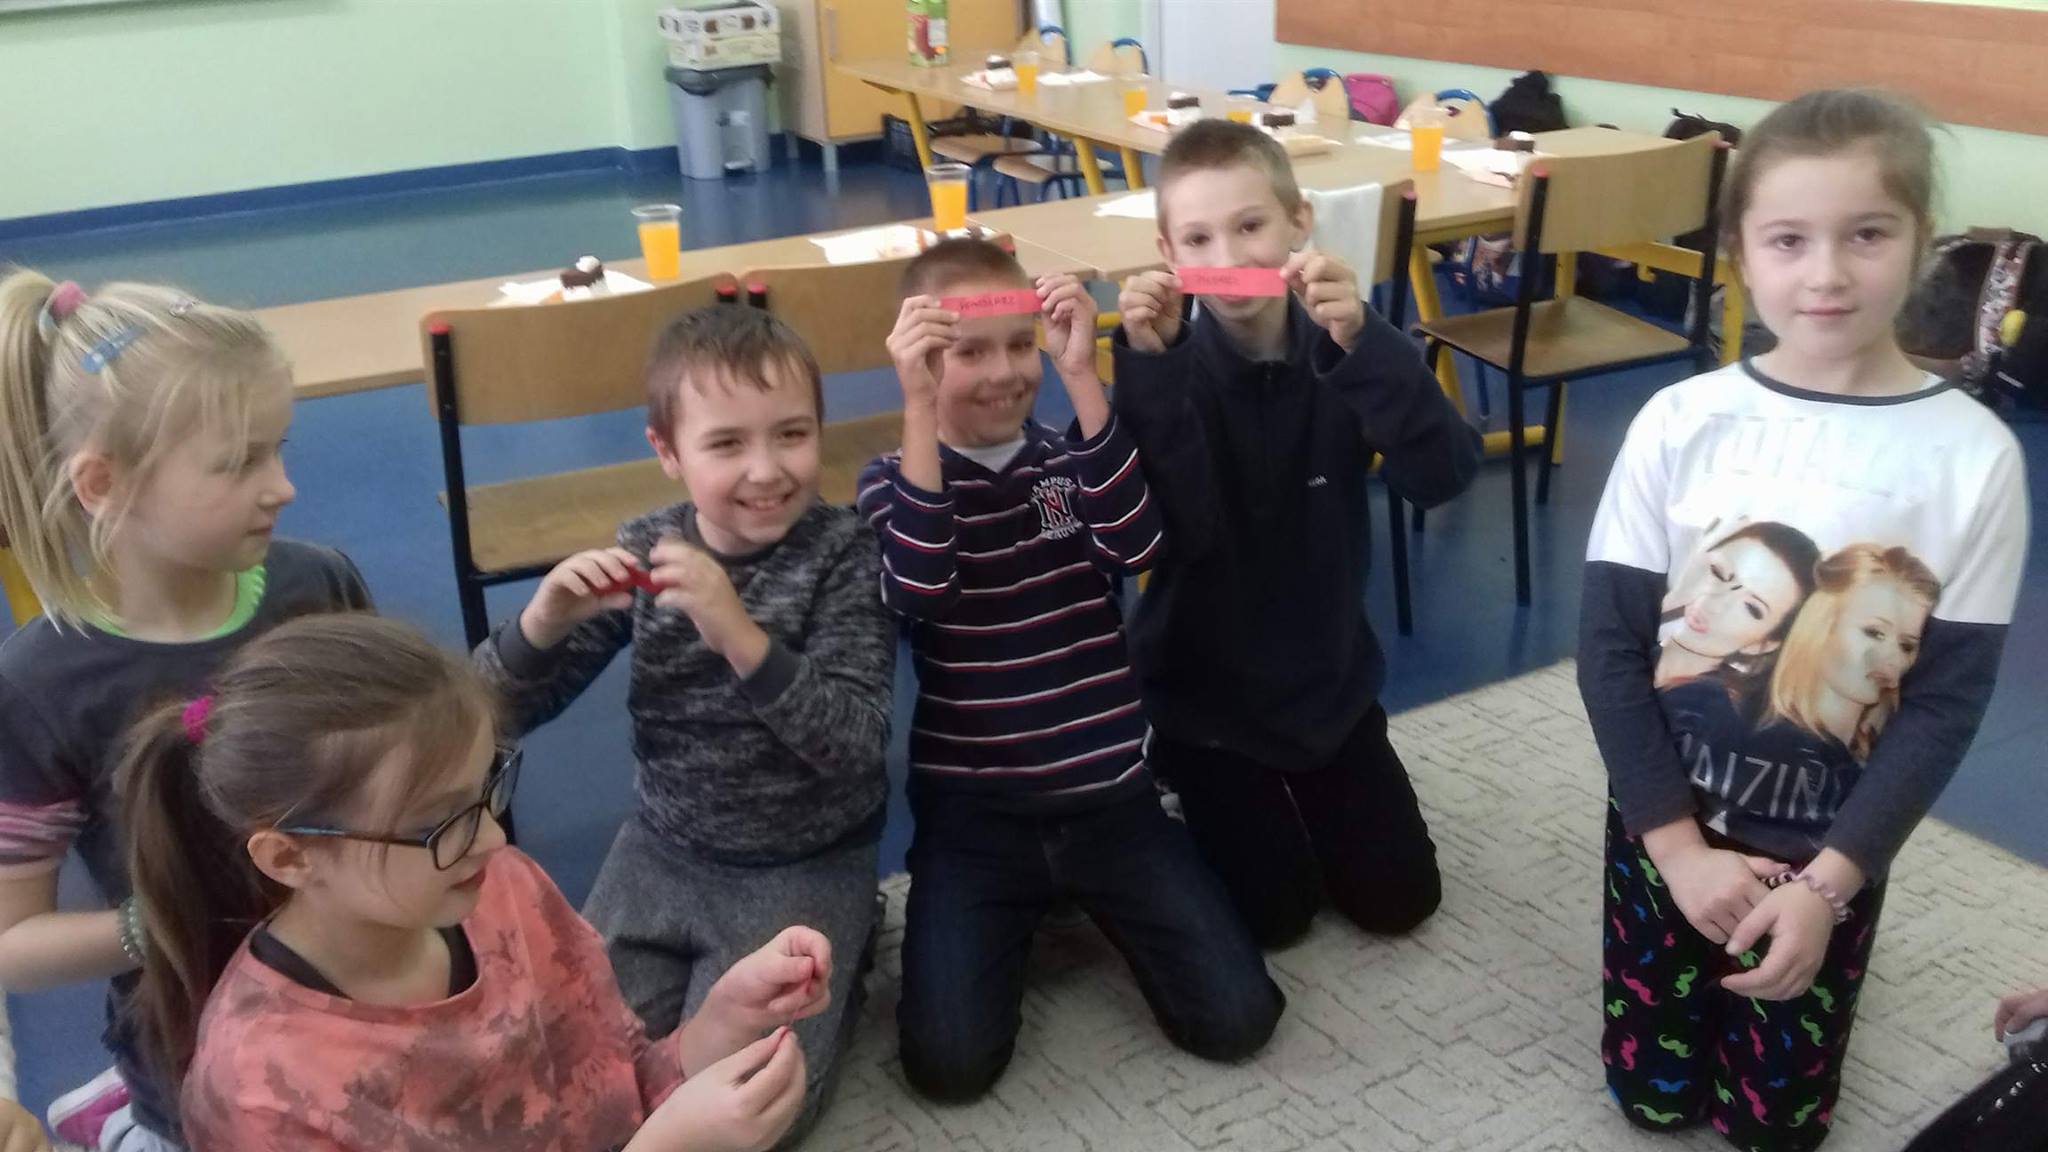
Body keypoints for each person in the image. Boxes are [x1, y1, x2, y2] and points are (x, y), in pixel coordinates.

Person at [1578, 89, 2031, 1151]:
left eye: (1865, 234)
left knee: (1775, 1130)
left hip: (1827, 856)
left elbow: (1943, 704)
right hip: (1664, 829)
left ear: (1921, 241)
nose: (1825, 273)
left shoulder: (1976, 460)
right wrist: (1675, 850)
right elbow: (1608, 650)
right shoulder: (1679, 421)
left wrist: (1830, 887)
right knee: (1651, 1101)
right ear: (1740, 250)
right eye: (1788, 239)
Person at [118, 614, 822, 1152]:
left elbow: (616, 1082)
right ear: (290, 858)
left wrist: (720, 1026)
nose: (493, 838)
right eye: (438, 823)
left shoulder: (501, 890)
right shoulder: (265, 1090)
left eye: (487, 788)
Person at [857, 238, 1283, 1101]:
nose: (1003, 373)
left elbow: (1138, 545)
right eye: (968, 353)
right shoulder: (892, 481)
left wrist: (1082, 375)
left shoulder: (1067, 458)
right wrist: (917, 406)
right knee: (949, 1066)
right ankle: (1030, 905)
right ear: (923, 358)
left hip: (1110, 798)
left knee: (1239, 1019)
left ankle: (1107, 884)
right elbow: (921, 590)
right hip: (978, 815)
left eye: (1020, 346)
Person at [474, 304, 892, 1143]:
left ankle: (851, 941)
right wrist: (539, 626)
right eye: (726, 443)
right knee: (566, 1062)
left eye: (792, 434)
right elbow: (489, 715)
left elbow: (853, 743)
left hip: (803, 859)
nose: (767, 469)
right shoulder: (649, 549)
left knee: (757, 1108)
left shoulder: (844, 553)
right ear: (667, 451)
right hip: (663, 850)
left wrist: (737, 634)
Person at [0, 271, 372, 1150]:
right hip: (202, 1052)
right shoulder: (41, 684)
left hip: (366, 995)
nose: (282, 487)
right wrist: (159, 922)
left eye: (278, 449)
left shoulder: (316, 584)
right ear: (104, 483)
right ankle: (125, 1121)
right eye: (240, 463)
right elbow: (14, 942)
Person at [1111, 119, 1481, 947]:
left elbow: (1445, 476)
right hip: (1205, 700)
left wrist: (1370, 345)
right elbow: (1159, 536)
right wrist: (1149, 372)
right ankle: (1175, 775)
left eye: (1250, 225)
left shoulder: (1347, 346)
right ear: (1168, 253)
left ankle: (1292, 796)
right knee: (1272, 918)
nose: (1229, 254)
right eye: (1199, 238)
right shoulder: (1168, 365)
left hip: (1327, 684)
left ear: (1298, 222)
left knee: (1399, 902)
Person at [1653, 521, 1821, 688]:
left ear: (1763, 645)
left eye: (1751, 608)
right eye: (1718, 573)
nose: (1715, 604)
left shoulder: (1706, 702)